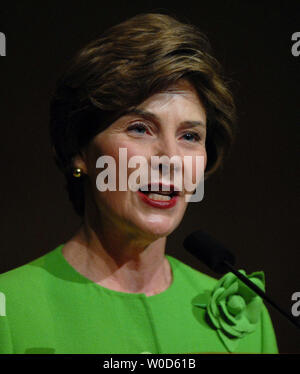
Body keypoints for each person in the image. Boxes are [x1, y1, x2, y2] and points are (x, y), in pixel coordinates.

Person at [0, 12, 278, 354]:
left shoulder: (250, 322)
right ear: (79, 152)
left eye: (190, 136)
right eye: (140, 128)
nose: (170, 159)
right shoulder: (10, 310)